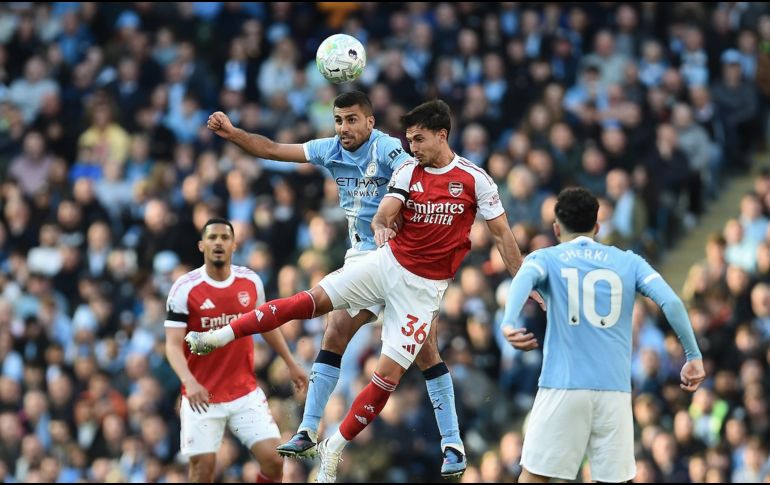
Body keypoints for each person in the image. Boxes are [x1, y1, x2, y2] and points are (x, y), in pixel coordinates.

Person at [189, 99, 526, 482]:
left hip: (421, 283)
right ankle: (303, 424)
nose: (343, 128)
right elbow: (272, 150)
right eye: (337, 120)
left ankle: (442, 442)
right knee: (326, 319)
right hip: (375, 257)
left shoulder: (400, 155)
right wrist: (233, 134)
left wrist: (524, 281)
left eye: (351, 120)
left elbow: (499, 232)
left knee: (415, 358)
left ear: (370, 121)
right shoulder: (348, 153)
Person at [499, 187, 706, 483]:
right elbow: (671, 302)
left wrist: (508, 322)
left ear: (557, 228)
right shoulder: (629, 261)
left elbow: (522, 279)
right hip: (614, 391)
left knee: (534, 478)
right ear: (597, 227)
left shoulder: (546, 258)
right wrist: (693, 355)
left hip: (562, 385)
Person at [164, 218, 309, 483]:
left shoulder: (250, 282)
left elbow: (266, 325)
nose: (218, 242)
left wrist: (290, 362)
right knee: (203, 471)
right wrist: (189, 381)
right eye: (212, 237)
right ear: (201, 245)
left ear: (234, 244)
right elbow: (172, 345)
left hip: (244, 391)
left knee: (275, 462)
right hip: (202, 396)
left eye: (224, 237)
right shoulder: (184, 289)